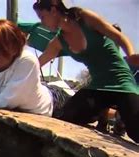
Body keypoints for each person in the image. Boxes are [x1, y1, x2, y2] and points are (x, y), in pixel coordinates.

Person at [33, 0, 139, 142]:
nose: (41, 22)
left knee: (136, 131)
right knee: (68, 116)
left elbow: (118, 36)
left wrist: (131, 54)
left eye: (42, 17)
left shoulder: (84, 18)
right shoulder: (59, 41)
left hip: (122, 82)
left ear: (53, 9)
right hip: (98, 86)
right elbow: (39, 62)